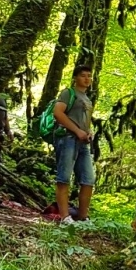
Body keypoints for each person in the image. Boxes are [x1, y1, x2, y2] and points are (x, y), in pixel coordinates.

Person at [49, 64, 95, 225]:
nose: (87, 79)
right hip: (67, 138)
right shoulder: (68, 93)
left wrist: (88, 132)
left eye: (89, 76)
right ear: (76, 77)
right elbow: (58, 113)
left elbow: (85, 122)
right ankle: (65, 216)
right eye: (83, 75)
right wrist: (77, 131)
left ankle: (83, 217)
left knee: (88, 179)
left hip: (82, 142)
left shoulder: (87, 99)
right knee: (64, 177)